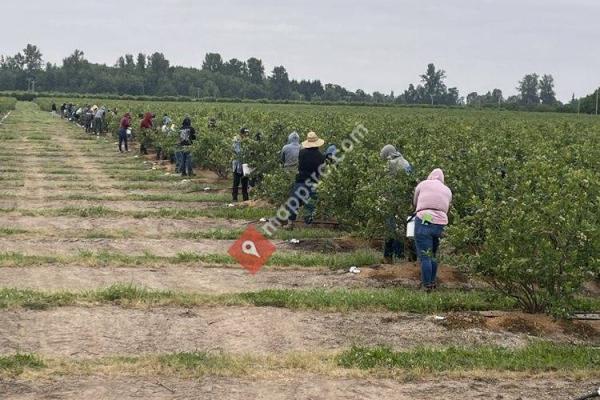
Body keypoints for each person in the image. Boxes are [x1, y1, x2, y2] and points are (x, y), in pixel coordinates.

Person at [413, 168, 452, 291]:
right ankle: (432, 282)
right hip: (440, 223)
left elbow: (415, 200)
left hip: (424, 218)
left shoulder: (423, 184)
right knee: (433, 255)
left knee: (425, 255)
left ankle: (426, 285)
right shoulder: (447, 190)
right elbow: (448, 207)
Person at [380, 144, 413, 264]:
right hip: (405, 200)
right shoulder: (405, 162)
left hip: (393, 201)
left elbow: (385, 184)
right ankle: (406, 256)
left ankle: (389, 257)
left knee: (391, 228)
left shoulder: (391, 164)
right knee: (404, 228)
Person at [287, 131, 326, 228]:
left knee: (294, 201)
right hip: (313, 182)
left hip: (301, 180)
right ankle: (307, 223)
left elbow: (299, 165)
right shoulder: (321, 156)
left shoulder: (302, 153)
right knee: (310, 203)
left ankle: (290, 223)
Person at [231, 128, 250, 201]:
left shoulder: (248, 141)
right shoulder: (236, 140)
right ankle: (234, 198)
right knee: (236, 182)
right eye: (245, 134)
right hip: (237, 164)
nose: (247, 135)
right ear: (241, 134)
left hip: (245, 164)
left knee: (245, 182)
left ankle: (245, 198)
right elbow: (238, 151)